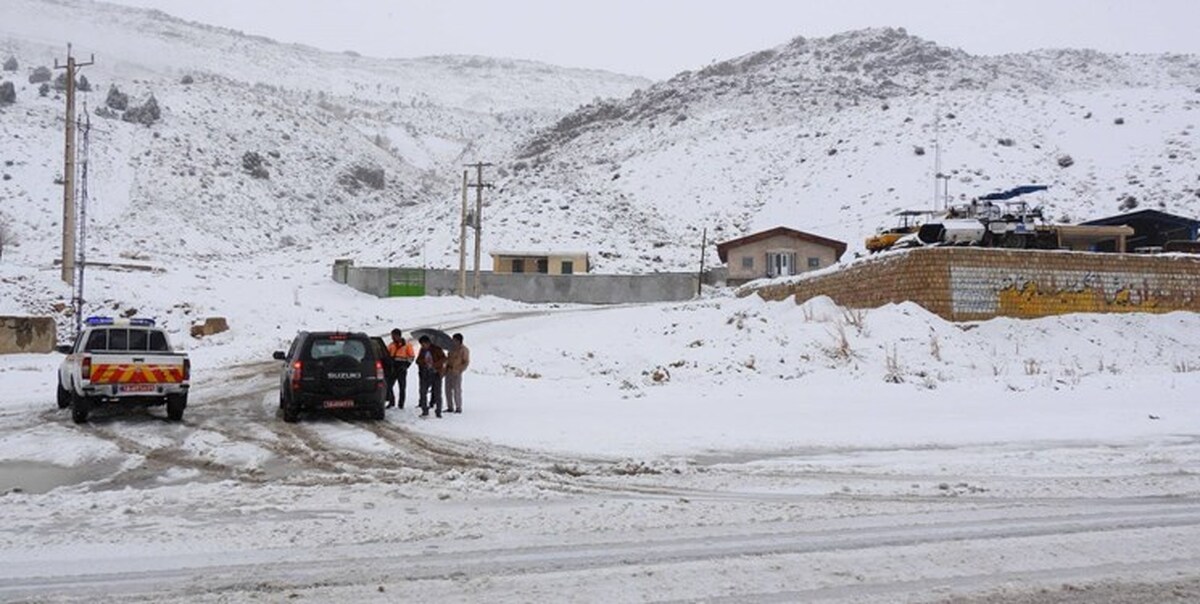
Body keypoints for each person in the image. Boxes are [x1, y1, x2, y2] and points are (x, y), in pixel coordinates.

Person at [416, 335, 446, 418]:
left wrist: (435, 365)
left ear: (428, 343)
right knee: (423, 392)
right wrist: (424, 362)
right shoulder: (422, 350)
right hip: (425, 374)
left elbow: (444, 359)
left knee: (437, 393)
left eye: (424, 344)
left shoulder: (437, 349)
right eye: (421, 345)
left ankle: (438, 411)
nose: (423, 346)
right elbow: (418, 360)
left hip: (436, 373)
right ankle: (424, 410)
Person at [386, 329, 416, 409]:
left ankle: (401, 404)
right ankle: (391, 402)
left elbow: (412, 357)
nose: (392, 337)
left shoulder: (407, 345)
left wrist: (406, 366)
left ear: (398, 335)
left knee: (402, 387)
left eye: (393, 336)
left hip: (402, 368)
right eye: (392, 336)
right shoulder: (391, 345)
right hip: (393, 368)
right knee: (389, 385)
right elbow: (387, 355)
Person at [443, 333, 470, 414]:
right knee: (447, 389)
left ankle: (458, 407)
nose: (453, 341)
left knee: (457, 390)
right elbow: (448, 358)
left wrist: (460, 370)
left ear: (459, 341)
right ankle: (450, 407)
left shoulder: (464, 350)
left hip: (457, 372)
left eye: (454, 340)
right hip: (449, 371)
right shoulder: (451, 348)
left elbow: (466, 362)